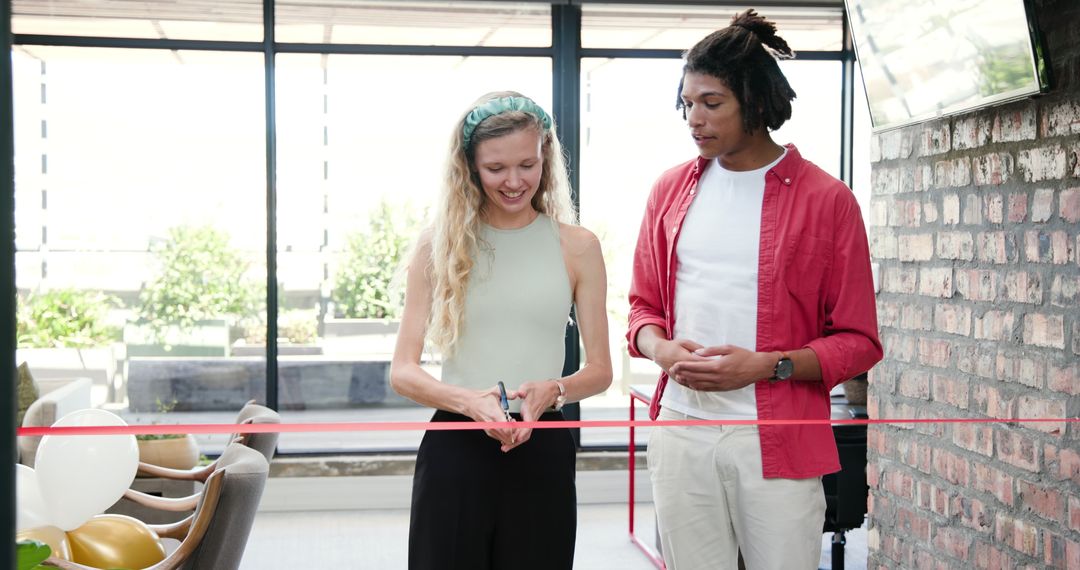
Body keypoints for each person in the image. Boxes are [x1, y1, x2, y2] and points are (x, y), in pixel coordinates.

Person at [626, 10, 883, 570]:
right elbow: (642, 310)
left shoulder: (828, 200)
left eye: (711, 103)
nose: (694, 119)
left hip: (779, 436)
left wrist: (767, 366)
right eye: (686, 103)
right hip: (681, 432)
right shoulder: (669, 190)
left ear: (756, 102)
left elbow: (860, 341)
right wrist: (661, 349)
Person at [390, 91, 612, 570]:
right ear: (470, 166)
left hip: (544, 444)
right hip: (456, 447)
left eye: (527, 165)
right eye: (496, 169)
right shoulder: (438, 247)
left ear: (545, 159)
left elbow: (600, 371)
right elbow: (403, 373)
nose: (514, 182)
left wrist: (553, 390)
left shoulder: (578, 247)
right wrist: (469, 402)